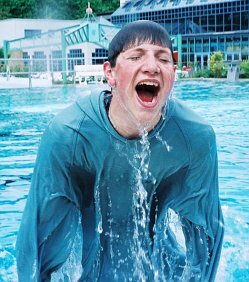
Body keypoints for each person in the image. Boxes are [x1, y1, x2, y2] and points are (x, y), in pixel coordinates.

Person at [16, 20, 224, 281]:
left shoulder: (196, 137)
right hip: (86, 254)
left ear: (173, 72)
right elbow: (36, 236)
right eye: (136, 56)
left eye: (163, 59)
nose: (151, 67)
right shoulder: (68, 135)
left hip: (160, 261)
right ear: (109, 72)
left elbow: (206, 236)